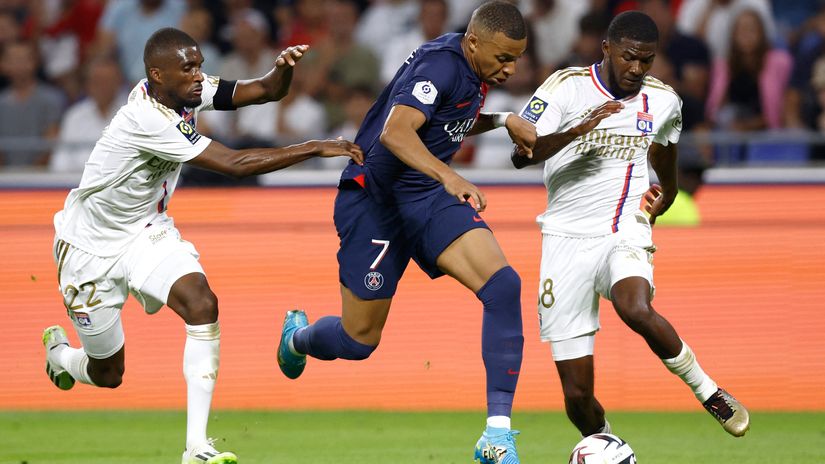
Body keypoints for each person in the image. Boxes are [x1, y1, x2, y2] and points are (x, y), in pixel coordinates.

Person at [41, 27, 362, 464]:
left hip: (144, 231)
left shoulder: (184, 92)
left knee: (201, 303)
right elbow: (234, 164)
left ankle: (196, 448)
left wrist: (281, 71)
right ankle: (60, 356)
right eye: (188, 68)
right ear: (157, 74)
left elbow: (265, 91)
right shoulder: (146, 117)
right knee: (107, 374)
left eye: (200, 66)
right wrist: (315, 147)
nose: (198, 75)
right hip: (88, 249)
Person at [276, 2, 535, 463]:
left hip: (426, 197)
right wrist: (450, 176)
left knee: (503, 285)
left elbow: (445, 118)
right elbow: (397, 133)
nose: (510, 68)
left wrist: (501, 120)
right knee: (358, 342)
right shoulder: (441, 64)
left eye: (516, 58)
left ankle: (497, 437)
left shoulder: (473, 68)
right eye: (502, 58)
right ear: (474, 42)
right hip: (375, 200)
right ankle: (298, 337)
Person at [510, 11, 750, 440]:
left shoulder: (662, 100)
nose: (637, 69)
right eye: (628, 58)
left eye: (647, 60)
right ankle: (608, 445)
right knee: (577, 396)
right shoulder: (566, 88)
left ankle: (708, 391)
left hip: (623, 227)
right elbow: (521, 155)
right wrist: (577, 131)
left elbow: (665, 146)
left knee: (634, 306)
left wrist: (671, 192)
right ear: (606, 48)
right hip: (564, 241)